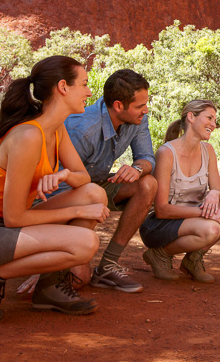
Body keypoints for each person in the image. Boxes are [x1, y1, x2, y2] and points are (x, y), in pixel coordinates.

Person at [0, 56, 110, 326]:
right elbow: (15, 218)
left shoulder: (56, 130)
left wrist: (63, 173)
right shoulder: (28, 135)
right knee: (85, 243)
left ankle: (49, 288)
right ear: (63, 87)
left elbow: (83, 178)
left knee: (93, 193)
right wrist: (79, 211)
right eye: (84, 84)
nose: (88, 91)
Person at [64, 69, 157, 293]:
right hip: (67, 194)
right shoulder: (84, 130)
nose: (145, 110)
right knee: (78, 280)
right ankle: (47, 263)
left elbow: (147, 158)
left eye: (146, 103)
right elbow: (57, 188)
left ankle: (107, 266)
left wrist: (137, 168)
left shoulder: (137, 119)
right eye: (139, 106)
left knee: (148, 183)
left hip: (96, 187)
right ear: (118, 105)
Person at [139, 99, 220, 282]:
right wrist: (206, 214)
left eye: (215, 120)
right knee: (211, 229)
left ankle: (193, 259)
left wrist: (213, 193)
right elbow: (161, 210)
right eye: (209, 118)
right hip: (160, 224)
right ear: (191, 117)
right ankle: (159, 254)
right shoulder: (167, 153)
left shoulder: (208, 150)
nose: (213, 124)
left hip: (193, 217)